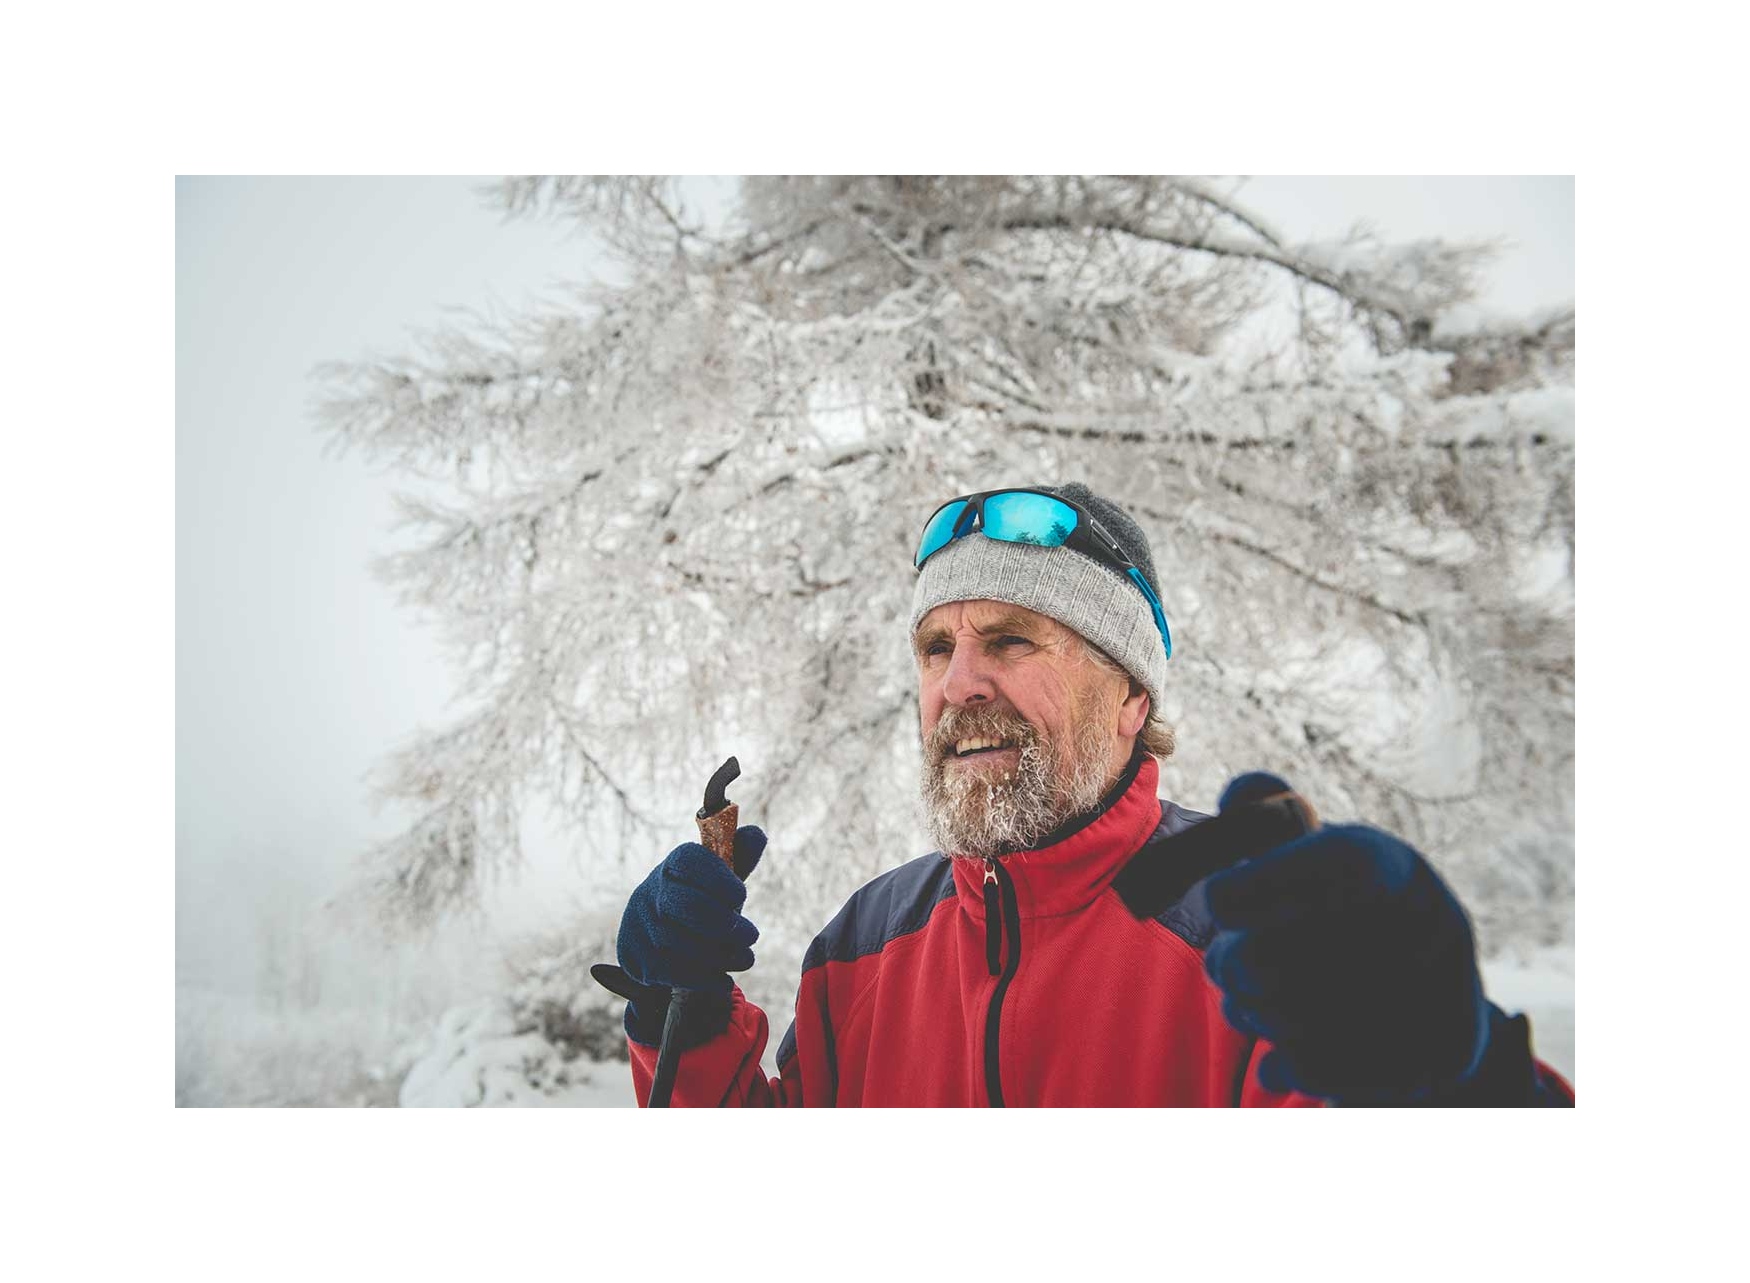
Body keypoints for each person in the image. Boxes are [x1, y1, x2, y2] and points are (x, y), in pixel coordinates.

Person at [598, 483, 1575, 1106]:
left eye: (1012, 638)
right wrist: (679, 1014)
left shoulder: (1256, 936)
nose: (960, 683)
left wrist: (1467, 1081)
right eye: (938, 647)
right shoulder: (864, 941)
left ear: (1130, 696)